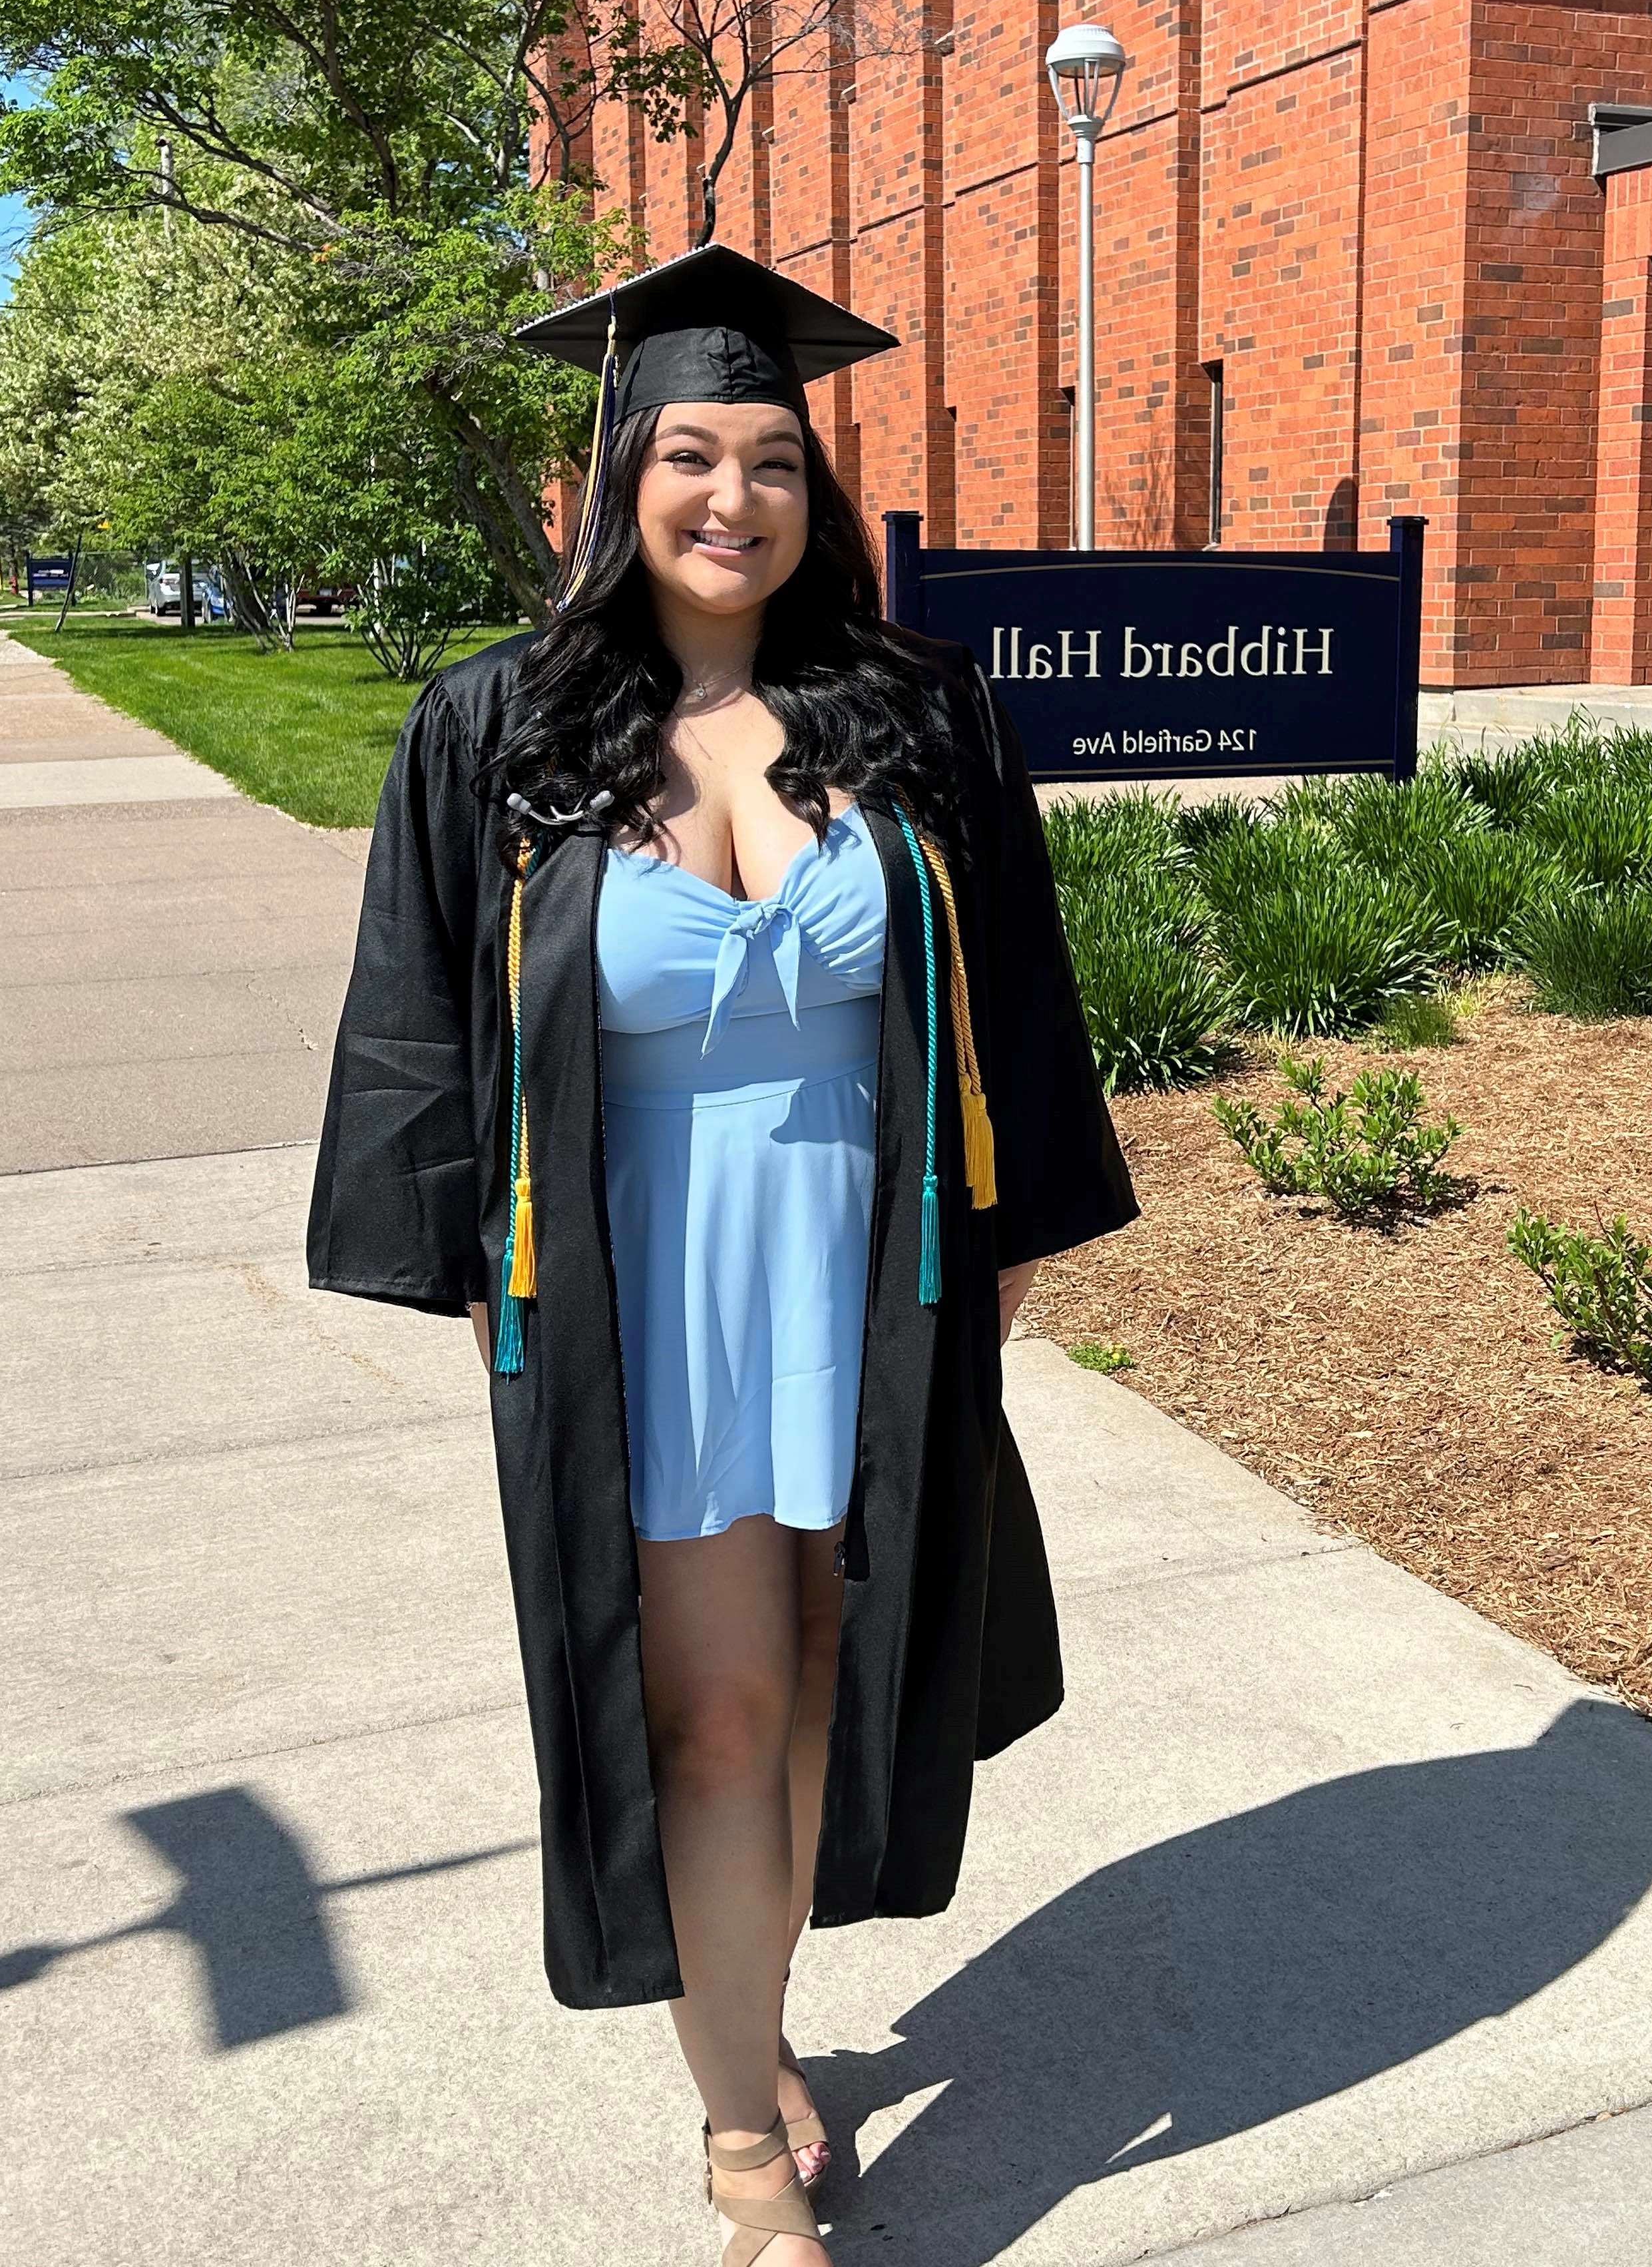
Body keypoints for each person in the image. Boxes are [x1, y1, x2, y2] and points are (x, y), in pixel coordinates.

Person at [307, 244, 1137, 2266]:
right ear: (617, 473)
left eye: (773, 458)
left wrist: (1005, 1255)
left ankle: (753, 2021)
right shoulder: (502, 729)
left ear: (814, 488)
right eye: (690, 454)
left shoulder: (914, 709)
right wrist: (489, 1296)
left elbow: (1012, 994)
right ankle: (745, 2138)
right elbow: (422, 1017)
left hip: (868, 1275)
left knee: (841, 1687)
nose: (733, 499)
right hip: (644, 1287)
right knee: (717, 1715)